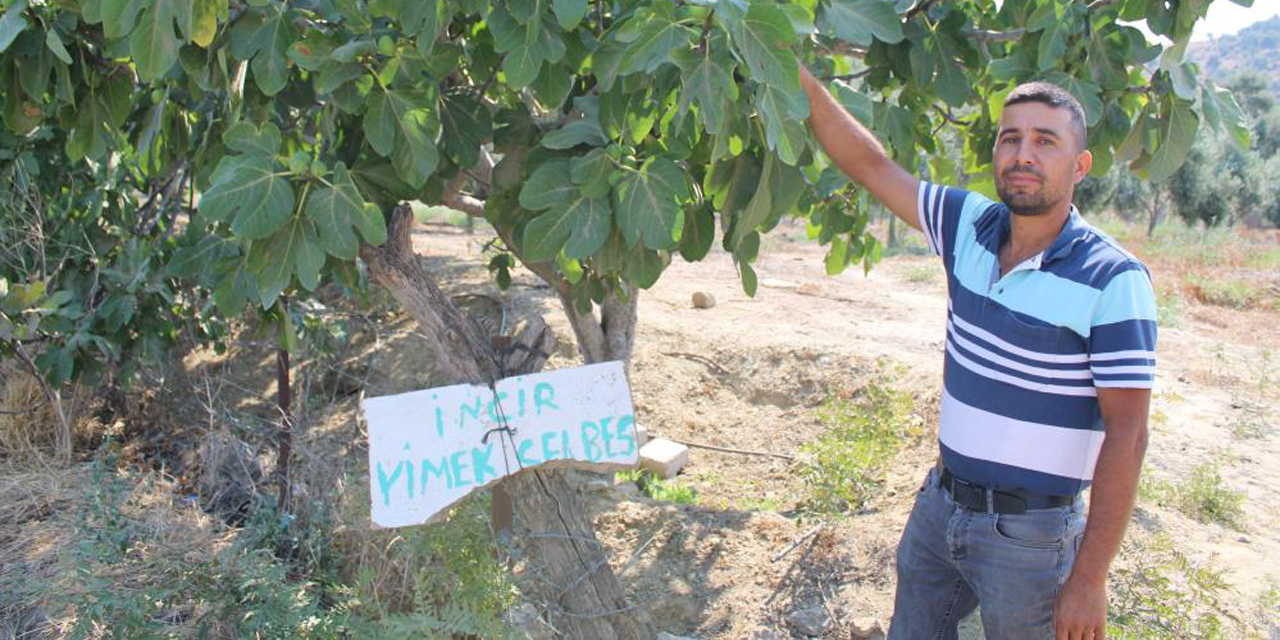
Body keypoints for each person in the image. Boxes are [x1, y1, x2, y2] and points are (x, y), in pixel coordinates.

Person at [798, 65, 1156, 640]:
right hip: (940, 508)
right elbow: (872, 167)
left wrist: (1090, 578)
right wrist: (796, 76)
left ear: (1080, 165)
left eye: (1045, 141)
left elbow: (1128, 434)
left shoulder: (1113, 279)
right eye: (1010, 138)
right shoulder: (967, 225)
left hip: (1032, 539)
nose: (1023, 154)